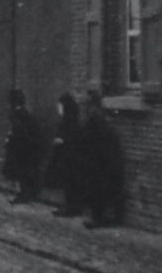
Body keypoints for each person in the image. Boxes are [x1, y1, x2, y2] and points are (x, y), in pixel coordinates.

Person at [78, 89, 126, 228]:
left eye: (87, 104)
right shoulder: (96, 118)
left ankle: (99, 218)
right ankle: (98, 217)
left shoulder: (96, 119)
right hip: (98, 160)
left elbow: (94, 139)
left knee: (98, 188)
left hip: (101, 161)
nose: (86, 108)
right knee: (96, 187)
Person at [1, 88, 47, 205]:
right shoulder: (25, 112)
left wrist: (11, 138)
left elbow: (19, 131)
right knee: (26, 171)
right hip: (29, 145)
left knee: (23, 171)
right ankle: (26, 194)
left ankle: (24, 195)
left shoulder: (16, 114)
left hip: (23, 147)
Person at [44, 92, 85, 217]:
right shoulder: (67, 120)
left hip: (70, 157)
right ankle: (69, 206)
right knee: (67, 182)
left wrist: (62, 140)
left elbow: (74, 138)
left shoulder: (71, 121)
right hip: (65, 156)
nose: (58, 108)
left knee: (71, 182)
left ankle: (72, 208)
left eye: (60, 105)